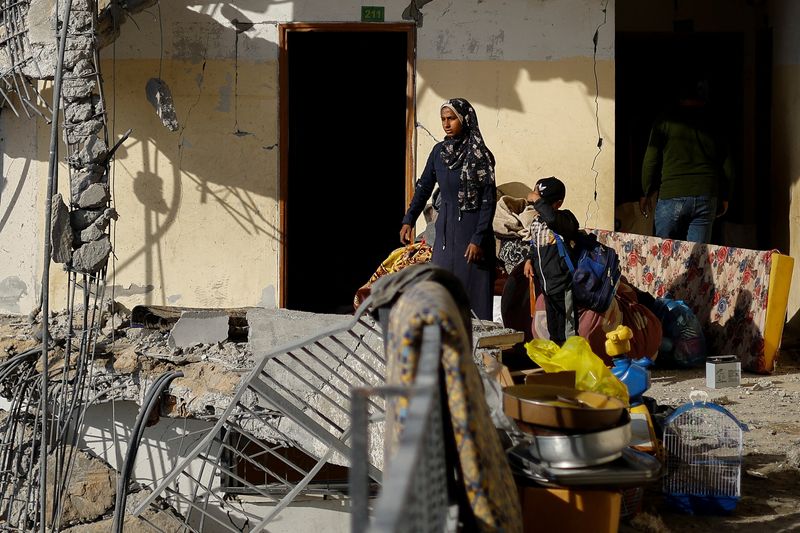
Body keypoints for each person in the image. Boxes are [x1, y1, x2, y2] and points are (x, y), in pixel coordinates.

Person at [399, 98, 497, 320]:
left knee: (474, 300)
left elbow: (488, 201)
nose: (446, 124)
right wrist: (409, 218)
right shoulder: (438, 153)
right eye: (443, 119)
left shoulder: (480, 156)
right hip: (445, 233)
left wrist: (478, 239)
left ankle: (479, 353)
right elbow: (424, 187)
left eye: (451, 118)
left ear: (464, 119)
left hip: (472, 235)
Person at [639, 77, 733, 242]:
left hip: (672, 195)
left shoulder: (665, 120)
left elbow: (650, 160)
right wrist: (725, 196)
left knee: (665, 257)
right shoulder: (715, 121)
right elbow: (728, 164)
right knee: (696, 260)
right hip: (706, 195)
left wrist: (646, 192)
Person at [522, 177, 580, 345]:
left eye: (543, 203)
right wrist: (529, 259)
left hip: (562, 283)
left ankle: (569, 362)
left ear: (558, 203)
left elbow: (552, 220)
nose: (539, 207)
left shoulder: (565, 220)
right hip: (546, 283)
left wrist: (538, 200)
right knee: (553, 328)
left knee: (566, 329)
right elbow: (534, 244)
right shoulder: (537, 222)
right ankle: (558, 361)